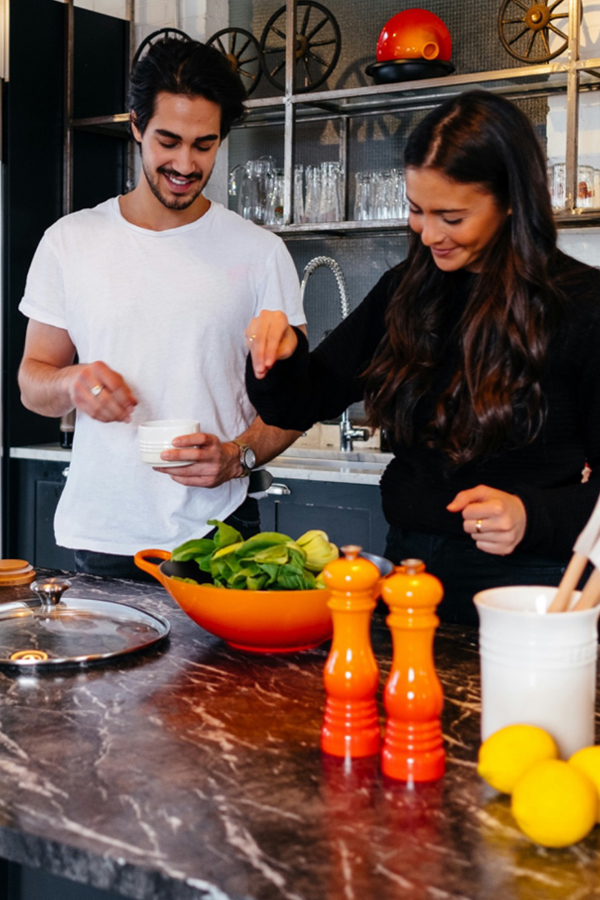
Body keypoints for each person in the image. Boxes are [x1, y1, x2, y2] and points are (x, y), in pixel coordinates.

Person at [244, 90, 600, 625]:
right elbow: (302, 402)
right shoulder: (405, 291)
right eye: (416, 210)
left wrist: (533, 514)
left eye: (451, 217)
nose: (429, 234)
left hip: (528, 589)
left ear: (510, 202)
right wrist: (284, 356)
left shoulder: (582, 308)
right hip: (405, 577)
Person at [17, 37, 305, 580]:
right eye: (168, 141)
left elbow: (298, 399)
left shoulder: (259, 251)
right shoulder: (70, 241)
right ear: (135, 126)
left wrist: (238, 455)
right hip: (101, 535)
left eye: (204, 145)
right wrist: (72, 383)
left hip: (218, 536)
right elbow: (33, 381)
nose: (184, 163)